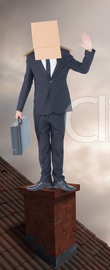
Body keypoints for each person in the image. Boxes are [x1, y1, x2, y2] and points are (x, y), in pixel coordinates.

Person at [16, 33, 96, 191]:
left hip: (59, 107)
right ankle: (45, 178)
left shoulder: (64, 55)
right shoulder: (32, 58)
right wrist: (19, 107)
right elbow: (27, 83)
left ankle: (59, 179)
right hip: (40, 107)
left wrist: (88, 51)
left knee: (58, 145)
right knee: (43, 145)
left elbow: (83, 69)